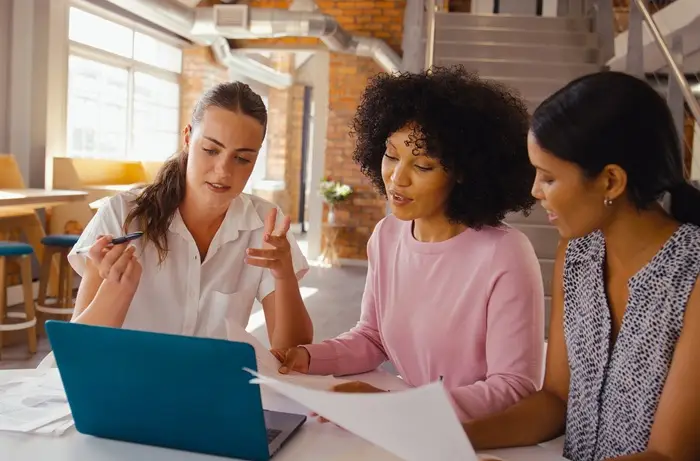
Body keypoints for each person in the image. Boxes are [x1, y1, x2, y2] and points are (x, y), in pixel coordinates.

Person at [271, 66, 546, 422]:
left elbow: (514, 387)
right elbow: (373, 338)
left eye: (424, 166)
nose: (397, 178)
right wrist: (308, 357)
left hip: (476, 440)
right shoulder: (387, 236)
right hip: (407, 427)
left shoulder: (505, 254)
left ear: (463, 172)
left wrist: (398, 408)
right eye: (391, 155)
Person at [462, 71, 700, 461]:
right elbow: (556, 399)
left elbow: (668, 455)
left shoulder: (692, 275)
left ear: (610, 181)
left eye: (549, 177)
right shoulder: (575, 256)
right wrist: (453, 438)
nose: (534, 191)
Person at [68, 81, 313, 350]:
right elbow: (78, 349)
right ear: (187, 138)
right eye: (211, 150)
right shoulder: (121, 215)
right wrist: (116, 291)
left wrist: (285, 276)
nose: (223, 171)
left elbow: (291, 352)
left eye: (242, 158)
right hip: (125, 385)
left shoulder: (266, 225)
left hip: (211, 389)